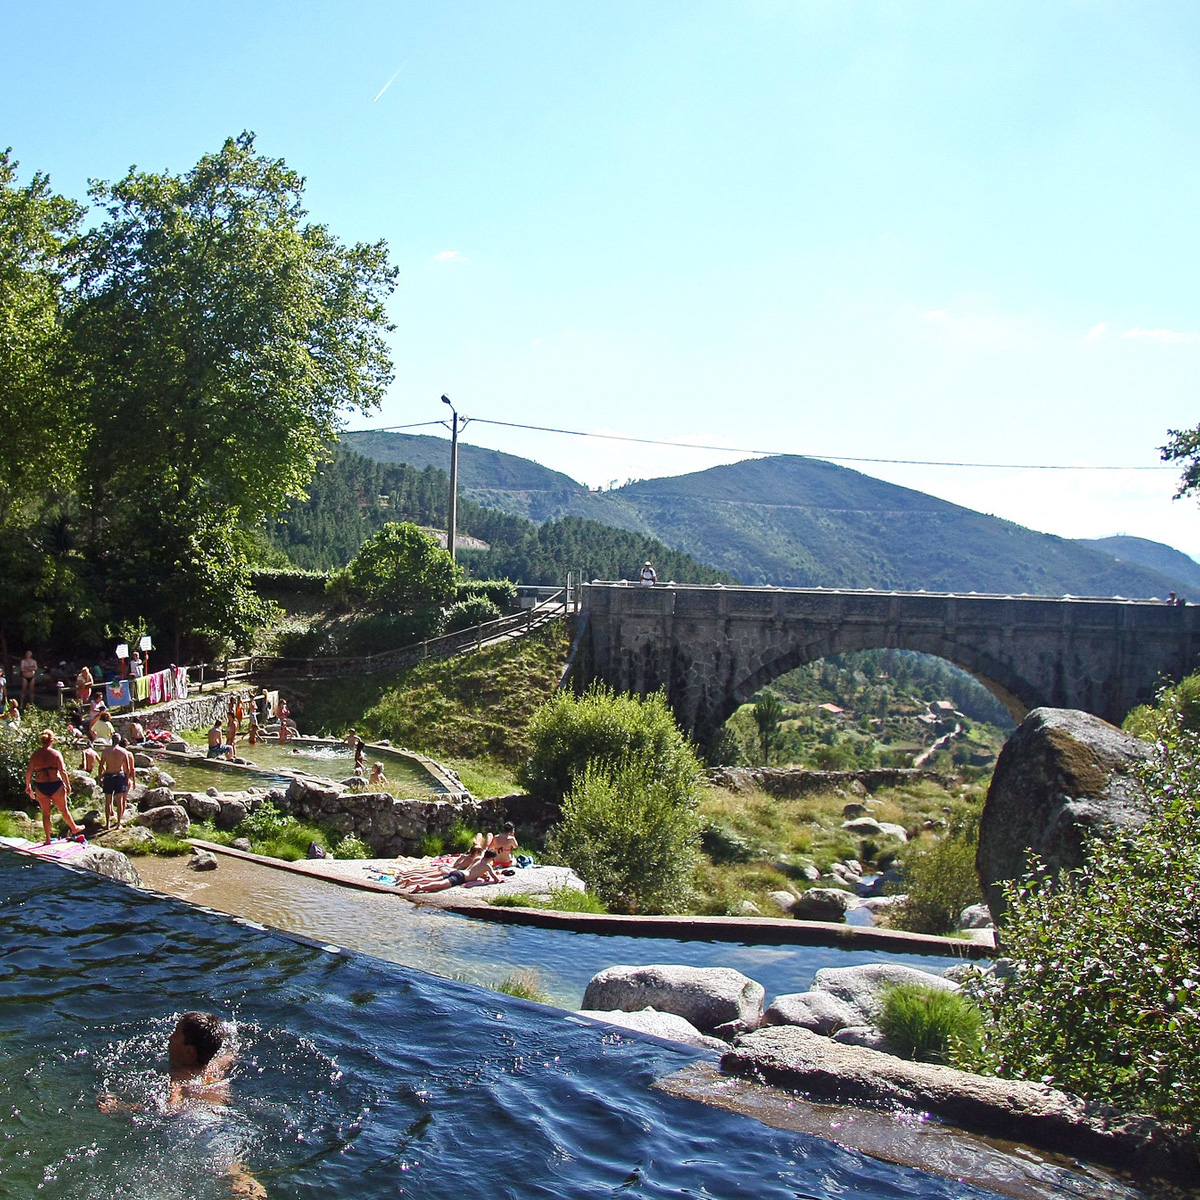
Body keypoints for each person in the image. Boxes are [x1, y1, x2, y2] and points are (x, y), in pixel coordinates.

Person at [99, 1011, 265, 1198]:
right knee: (237, 1171)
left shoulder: (177, 1081)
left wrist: (120, 1107)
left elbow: (169, 1110)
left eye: (176, 1034)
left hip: (199, 1125)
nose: (170, 1037)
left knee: (232, 1176)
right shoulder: (216, 1067)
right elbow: (233, 1053)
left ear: (189, 1051)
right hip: (227, 1124)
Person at [26, 729, 84, 843]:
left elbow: (29, 772)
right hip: (55, 784)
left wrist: (28, 786)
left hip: (41, 785)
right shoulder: (56, 754)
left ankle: (47, 839)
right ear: (52, 741)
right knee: (63, 810)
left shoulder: (36, 755)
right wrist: (68, 785)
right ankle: (74, 828)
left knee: (46, 814)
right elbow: (62, 770)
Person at [404, 849, 502, 894]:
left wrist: (481, 876)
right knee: (440, 884)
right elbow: (496, 880)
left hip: (458, 872)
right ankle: (421, 887)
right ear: (492, 858)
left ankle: (413, 881)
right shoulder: (488, 866)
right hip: (460, 878)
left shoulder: (478, 858)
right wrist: (488, 880)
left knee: (432, 877)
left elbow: (472, 870)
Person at [99, 733, 136, 829]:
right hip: (119, 776)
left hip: (108, 776)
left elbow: (101, 765)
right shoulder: (123, 752)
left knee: (108, 801)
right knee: (119, 801)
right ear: (119, 741)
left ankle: (107, 824)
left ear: (111, 740)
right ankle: (118, 824)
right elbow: (127, 768)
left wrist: (100, 777)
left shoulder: (106, 751)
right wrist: (127, 779)